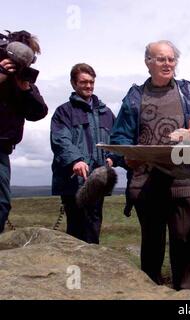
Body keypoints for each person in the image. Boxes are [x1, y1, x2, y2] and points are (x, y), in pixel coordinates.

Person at [109, 40, 190, 291]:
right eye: (160, 59)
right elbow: (119, 137)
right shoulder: (134, 96)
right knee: (152, 243)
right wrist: (128, 158)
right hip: (145, 182)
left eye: (171, 59)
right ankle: (150, 291)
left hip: (184, 179)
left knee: (186, 242)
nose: (167, 63)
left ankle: (187, 296)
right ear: (148, 62)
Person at [50, 63, 115, 244]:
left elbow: (116, 140)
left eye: (91, 82)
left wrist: (112, 157)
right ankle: (75, 270)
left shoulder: (106, 113)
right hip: (73, 181)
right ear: (73, 83)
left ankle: (91, 269)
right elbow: (60, 140)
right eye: (83, 82)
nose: (88, 86)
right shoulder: (64, 112)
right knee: (76, 229)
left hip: (98, 180)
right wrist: (76, 161)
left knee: (94, 225)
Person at [0, 30, 48, 234]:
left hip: (2, 148)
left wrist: (26, 89)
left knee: (2, 204)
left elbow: (38, 112)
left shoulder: (22, 80)